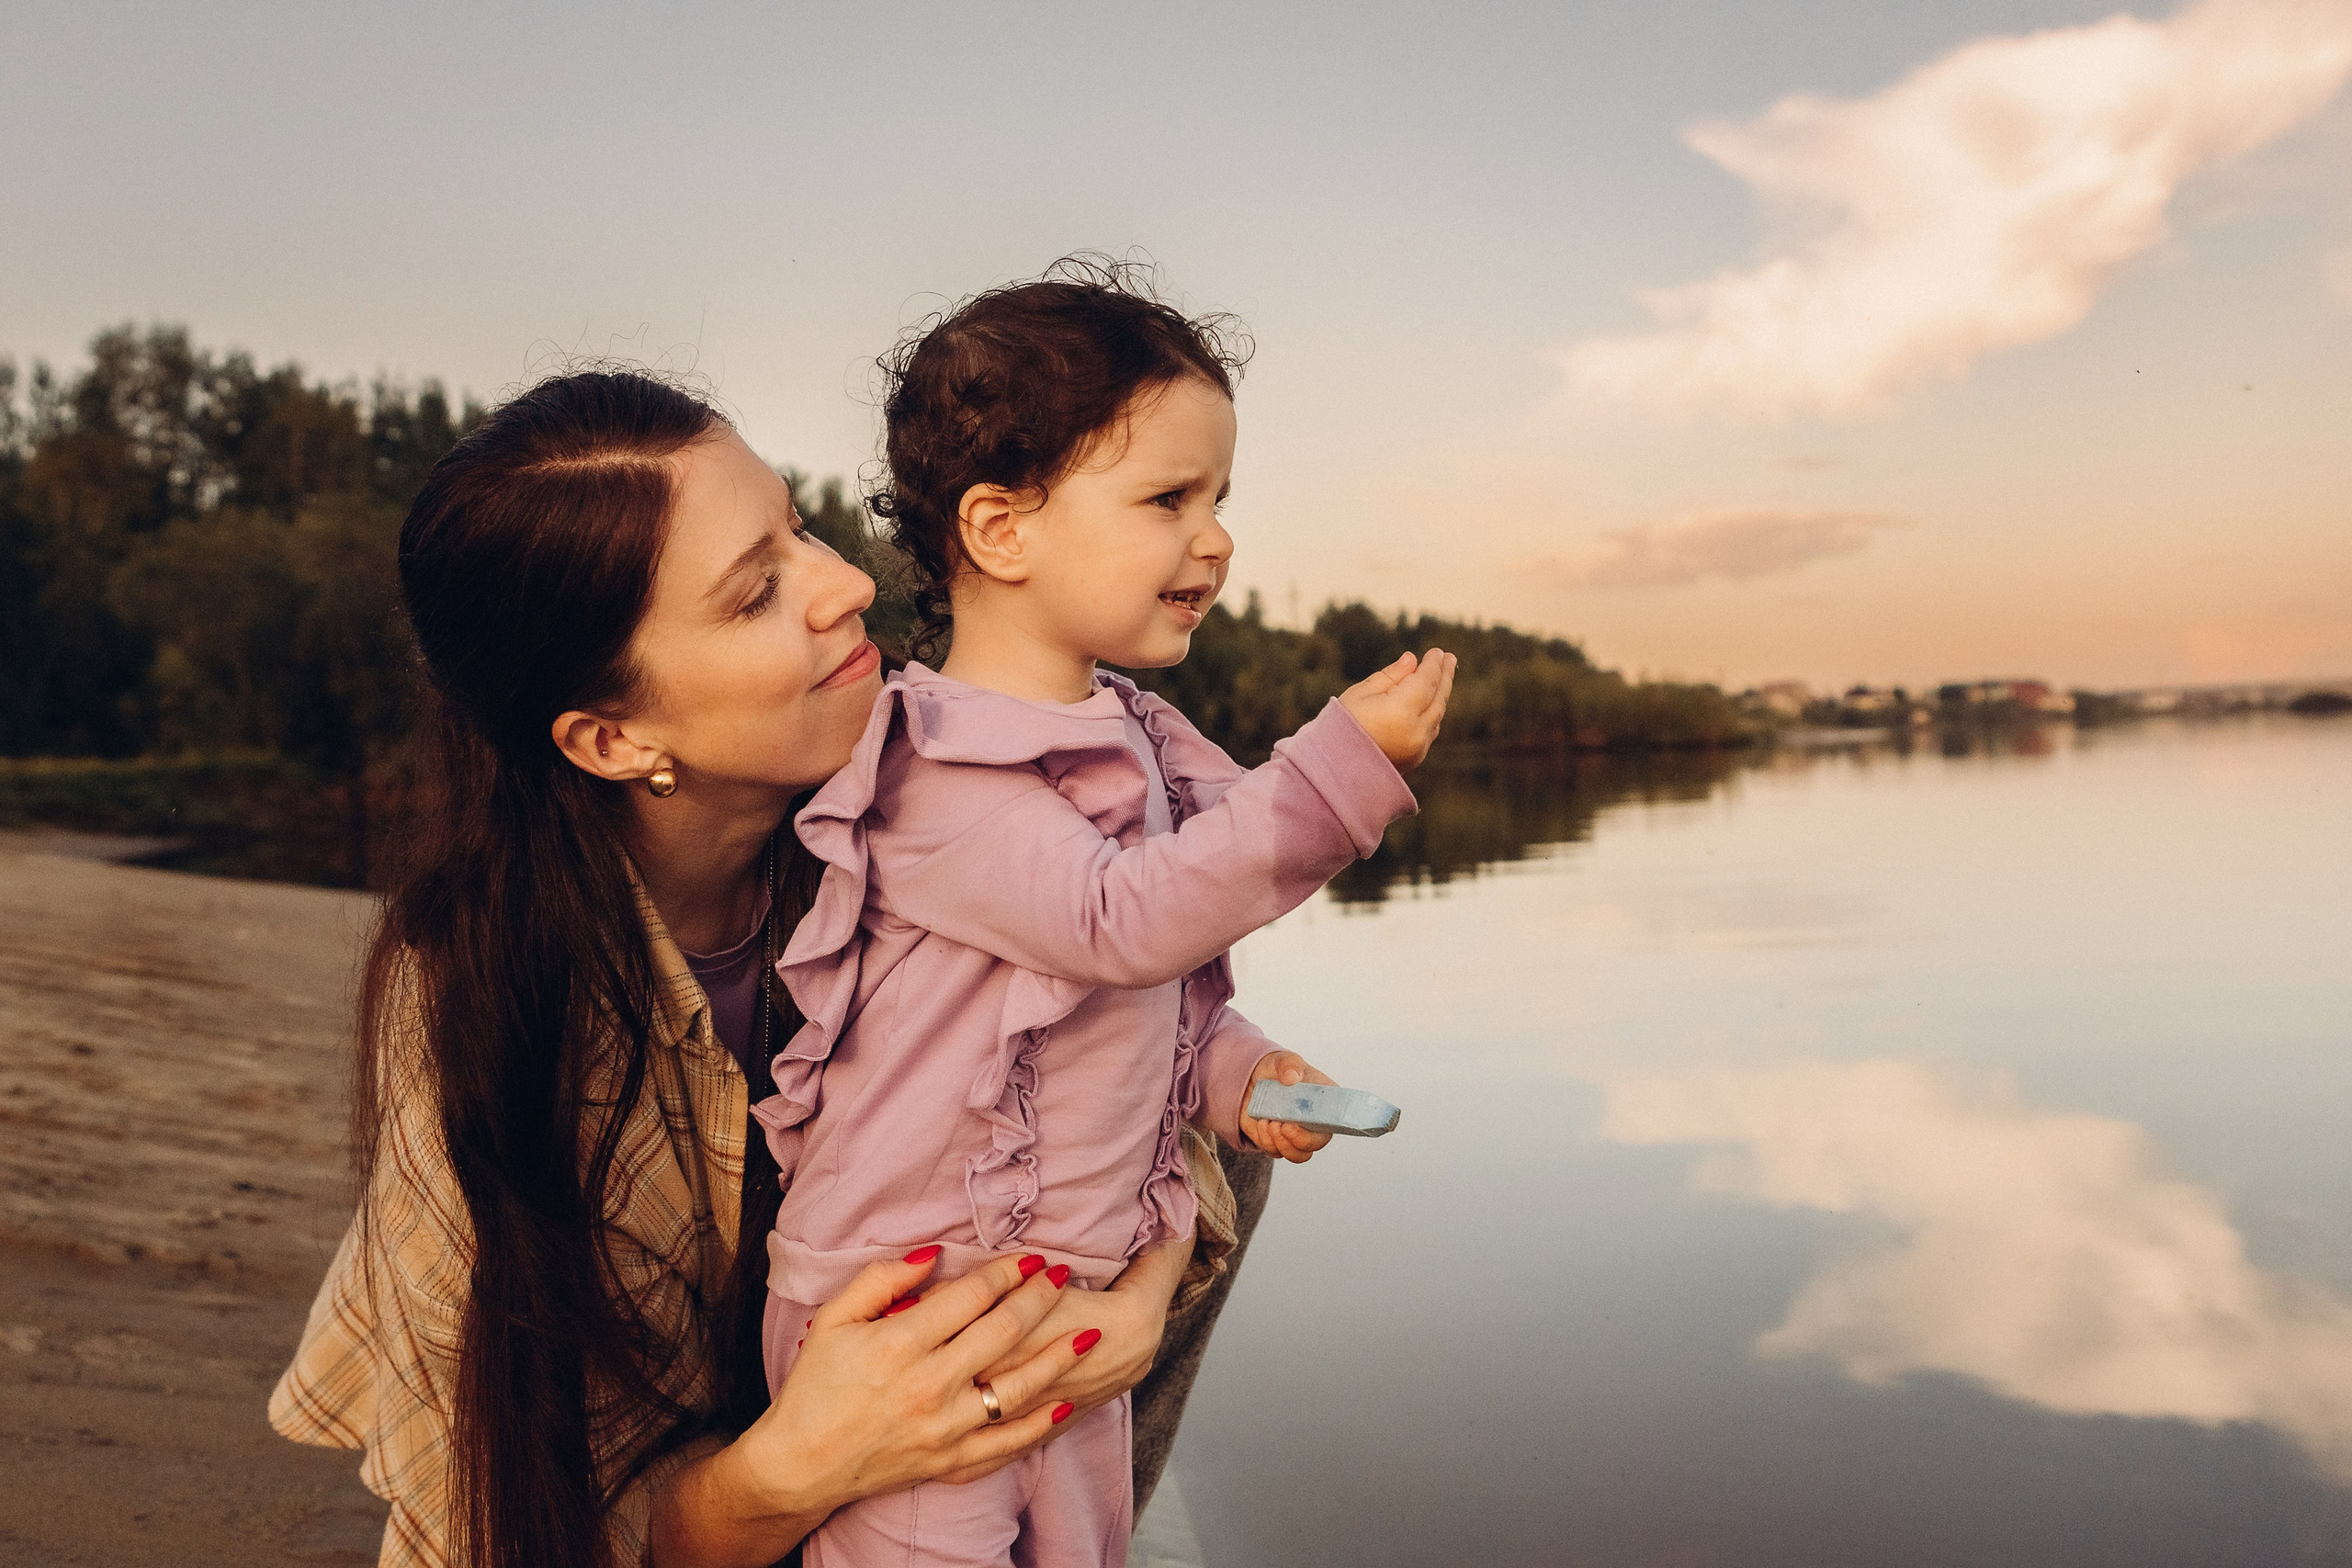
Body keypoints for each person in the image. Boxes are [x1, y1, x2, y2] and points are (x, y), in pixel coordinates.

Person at [268, 369, 1213, 1568]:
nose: (847, 583)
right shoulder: (488, 1015)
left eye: (800, 528)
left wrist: (1136, 1302)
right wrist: (811, 1457)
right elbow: (537, 1527)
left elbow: (1151, 1052)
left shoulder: (917, 816)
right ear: (615, 738)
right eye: (758, 591)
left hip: (956, 1460)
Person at [754, 261, 1456, 1566]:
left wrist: (1241, 1076)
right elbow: (1116, 923)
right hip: (907, 1322)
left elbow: (1147, 993)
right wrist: (1340, 768)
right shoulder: (934, 765)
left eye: (1222, 499)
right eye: (1168, 499)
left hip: (1060, 1299)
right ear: (1002, 530)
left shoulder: (1135, 733)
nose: (1217, 538)